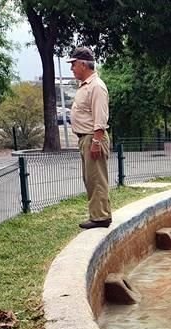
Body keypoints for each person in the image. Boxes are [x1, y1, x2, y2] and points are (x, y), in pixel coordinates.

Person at [67, 46, 112, 229]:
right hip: (86, 138)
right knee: (91, 179)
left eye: (74, 64)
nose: (72, 68)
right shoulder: (86, 86)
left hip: (93, 138)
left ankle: (101, 217)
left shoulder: (97, 87)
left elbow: (100, 118)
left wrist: (96, 142)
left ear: (83, 65)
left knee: (96, 178)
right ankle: (98, 214)